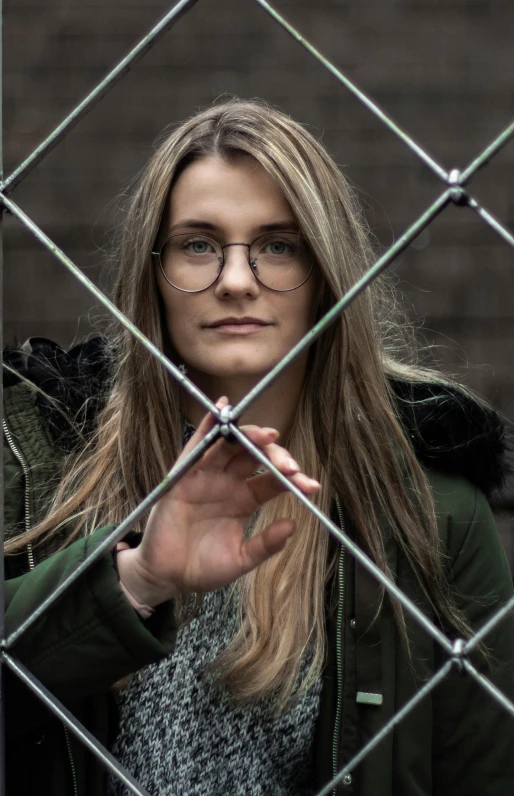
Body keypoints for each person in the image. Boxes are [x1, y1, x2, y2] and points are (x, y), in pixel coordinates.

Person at [4, 99, 514, 796]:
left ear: (329, 272)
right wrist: (134, 584)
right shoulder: (38, 469)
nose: (237, 280)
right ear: (151, 272)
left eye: (278, 244)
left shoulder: (433, 512)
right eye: (198, 244)